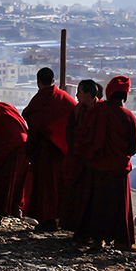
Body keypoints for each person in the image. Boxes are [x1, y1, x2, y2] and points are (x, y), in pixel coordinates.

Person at [73, 76, 136, 251]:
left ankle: (97, 240)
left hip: (97, 166)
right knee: (119, 205)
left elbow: (83, 137)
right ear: (125, 95)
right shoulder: (128, 117)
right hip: (118, 168)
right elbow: (134, 147)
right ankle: (121, 241)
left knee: (97, 203)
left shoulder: (96, 111)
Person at [21, 67, 76, 231]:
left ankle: (47, 221)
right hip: (62, 150)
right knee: (60, 186)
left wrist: (30, 150)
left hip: (44, 151)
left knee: (45, 188)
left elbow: (31, 119)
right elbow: (73, 120)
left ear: (38, 82)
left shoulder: (38, 100)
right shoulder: (65, 98)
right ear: (53, 80)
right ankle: (62, 219)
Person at [59, 79, 102, 235]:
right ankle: (78, 228)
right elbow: (70, 131)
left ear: (88, 95)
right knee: (76, 194)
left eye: (80, 92)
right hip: (78, 159)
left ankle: (94, 232)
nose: (76, 95)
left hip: (95, 161)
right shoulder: (78, 110)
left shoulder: (100, 111)